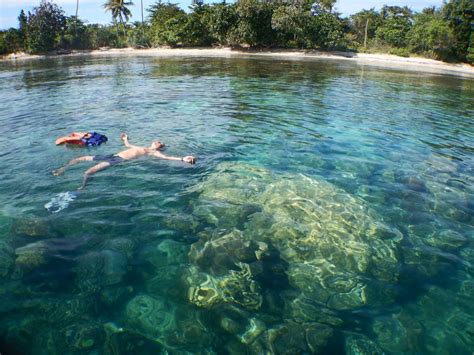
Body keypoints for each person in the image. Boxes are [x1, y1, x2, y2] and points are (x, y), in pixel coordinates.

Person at [52, 133, 196, 190]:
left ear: (160, 147)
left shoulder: (154, 152)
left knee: (88, 172)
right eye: (158, 140)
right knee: (78, 158)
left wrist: (183, 159)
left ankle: (82, 187)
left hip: (118, 160)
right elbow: (127, 146)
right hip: (112, 154)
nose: (159, 141)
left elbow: (167, 158)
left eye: (161, 142)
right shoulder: (142, 147)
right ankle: (61, 170)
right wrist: (125, 138)